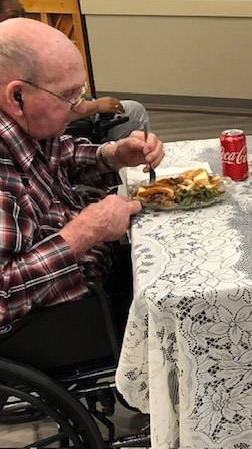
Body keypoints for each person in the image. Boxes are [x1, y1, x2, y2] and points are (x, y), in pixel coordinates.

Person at [0, 17, 164, 326]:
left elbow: (62, 157)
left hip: (103, 273)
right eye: (68, 96)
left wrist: (114, 154)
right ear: (16, 97)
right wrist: (85, 232)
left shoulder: (29, 128)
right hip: (66, 324)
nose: (80, 108)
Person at [0, 0, 148, 141]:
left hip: (66, 125)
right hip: (63, 127)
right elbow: (45, 113)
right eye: (14, 17)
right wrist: (95, 107)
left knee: (132, 110)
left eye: (23, 15)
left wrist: (112, 155)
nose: (24, 22)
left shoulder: (27, 48)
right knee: (133, 113)